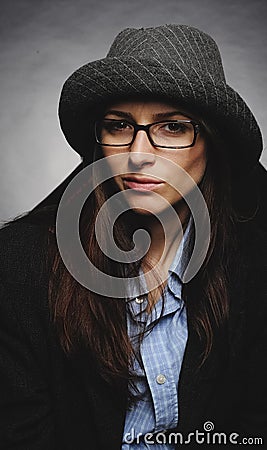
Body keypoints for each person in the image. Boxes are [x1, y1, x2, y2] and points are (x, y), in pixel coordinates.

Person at [0, 24, 267, 450]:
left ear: (213, 144)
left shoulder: (253, 263)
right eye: (120, 125)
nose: (139, 154)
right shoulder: (20, 267)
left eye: (173, 127)